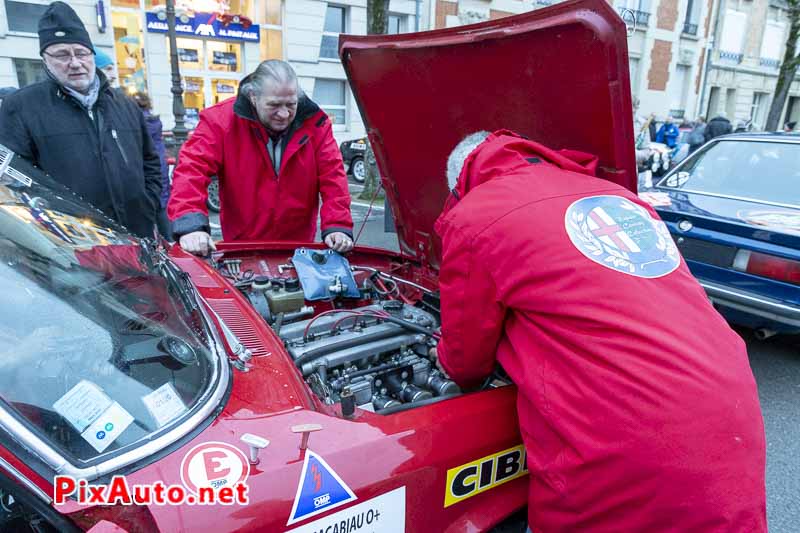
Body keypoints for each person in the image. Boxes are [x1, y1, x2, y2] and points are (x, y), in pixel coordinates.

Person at [431, 130, 767, 532]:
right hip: (731, 415)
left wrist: (441, 356)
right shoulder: (617, 197)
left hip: (630, 436)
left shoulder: (477, 214)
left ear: (460, 183)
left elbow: (465, 361)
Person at [0, 1, 161, 238]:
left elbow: (150, 163)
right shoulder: (21, 107)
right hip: (71, 245)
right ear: (45, 59)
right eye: (62, 55)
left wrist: (148, 204)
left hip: (137, 235)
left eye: (81, 53)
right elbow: (13, 178)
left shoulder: (125, 104)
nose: (75, 63)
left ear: (91, 55)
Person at [168, 59, 353, 256]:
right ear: (253, 97)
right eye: (274, 105)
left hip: (298, 248)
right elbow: (192, 169)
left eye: (291, 104)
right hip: (242, 247)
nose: (283, 114)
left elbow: (333, 177)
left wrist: (337, 226)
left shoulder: (316, 123)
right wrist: (190, 225)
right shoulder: (220, 121)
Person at [133, 92, 170, 239]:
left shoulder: (138, 123)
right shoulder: (154, 121)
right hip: (160, 169)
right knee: (162, 209)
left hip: (147, 172)